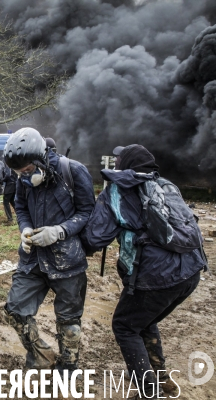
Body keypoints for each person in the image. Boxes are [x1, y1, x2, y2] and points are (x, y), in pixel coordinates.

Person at [82, 144, 206, 398]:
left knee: (125, 326)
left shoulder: (116, 191)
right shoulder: (167, 185)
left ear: (122, 166)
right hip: (192, 270)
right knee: (144, 320)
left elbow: (95, 239)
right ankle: (160, 377)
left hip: (155, 276)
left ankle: (148, 391)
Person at [3, 127, 95, 375]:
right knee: (15, 310)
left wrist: (60, 231)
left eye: (27, 170)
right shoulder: (23, 178)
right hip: (32, 259)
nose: (23, 176)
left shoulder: (72, 171)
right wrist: (24, 229)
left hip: (67, 260)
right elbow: (20, 207)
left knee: (69, 322)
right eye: (18, 172)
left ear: (40, 158)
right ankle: (41, 356)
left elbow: (88, 212)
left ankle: (68, 366)